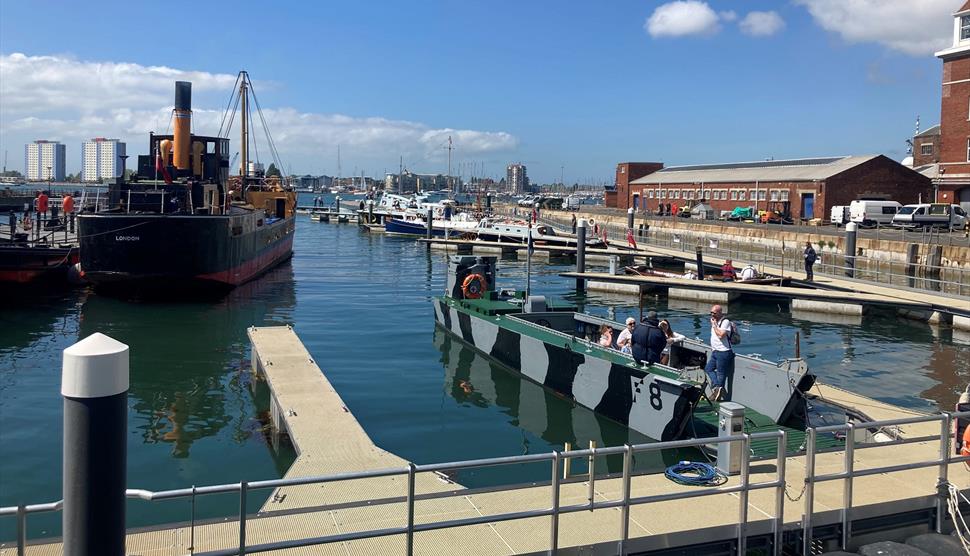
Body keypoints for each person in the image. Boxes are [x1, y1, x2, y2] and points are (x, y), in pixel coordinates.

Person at [705, 305, 735, 401]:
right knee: (708, 369)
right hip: (715, 351)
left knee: (721, 374)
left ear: (720, 312)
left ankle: (717, 393)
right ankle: (718, 388)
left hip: (723, 352)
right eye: (711, 313)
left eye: (714, 313)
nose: (712, 315)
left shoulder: (725, 322)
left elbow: (721, 335)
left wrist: (714, 325)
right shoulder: (715, 322)